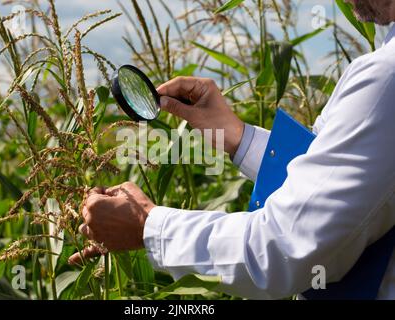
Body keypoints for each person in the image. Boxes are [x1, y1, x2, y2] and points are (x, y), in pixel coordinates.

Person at [68, 0, 395, 299]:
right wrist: (238, 136)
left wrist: (147, 225)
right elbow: (330, 188)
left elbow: (281, 248)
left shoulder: (386, 76)